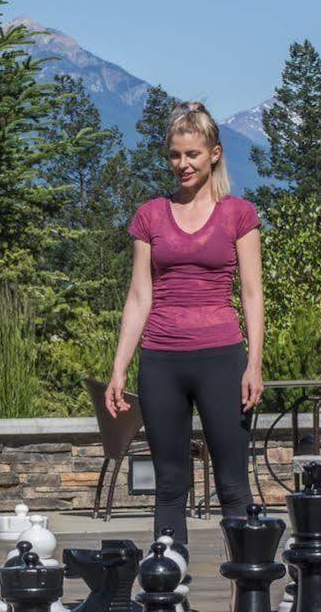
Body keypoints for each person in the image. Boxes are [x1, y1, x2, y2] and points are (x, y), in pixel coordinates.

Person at [106, 101, 264, 552]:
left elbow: (252, 294)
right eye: (175, 155)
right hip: (161, 361)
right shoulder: (150, 216)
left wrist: (254, 363)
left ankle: (245, 597)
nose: (182, 164)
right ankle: (168, 597)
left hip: (222, 357)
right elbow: (139, 296)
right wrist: (119, 368)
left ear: (214, 153)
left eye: (192, 154)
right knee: (169, 485)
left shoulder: (239, 214)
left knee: (233, 485)